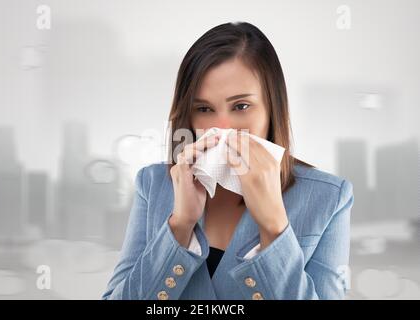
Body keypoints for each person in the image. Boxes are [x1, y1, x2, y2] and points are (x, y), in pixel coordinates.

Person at [102, 21, 354, 300]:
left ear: (273, 107)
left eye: (241, 106)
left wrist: (274, 228)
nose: (222, 128)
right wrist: (180, 225)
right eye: (204, 109)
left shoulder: (329, 197)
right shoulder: (153, 184)